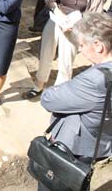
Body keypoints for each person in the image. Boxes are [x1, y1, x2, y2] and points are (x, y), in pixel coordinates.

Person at [38, 12, 112, 191]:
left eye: (81, 45)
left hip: (75, 149)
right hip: (101, 143)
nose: (80, 50)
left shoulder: (94, 80)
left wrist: (62, 87)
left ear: (98, 45)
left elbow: (48, 100)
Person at [24, 0, 107, 99]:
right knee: (46, 54)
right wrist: (58, 13)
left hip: (74, 28)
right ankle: (39, 84)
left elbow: (93, 15)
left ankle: (59, 94)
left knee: (65, 63)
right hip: (57, 19)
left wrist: (76, 25)